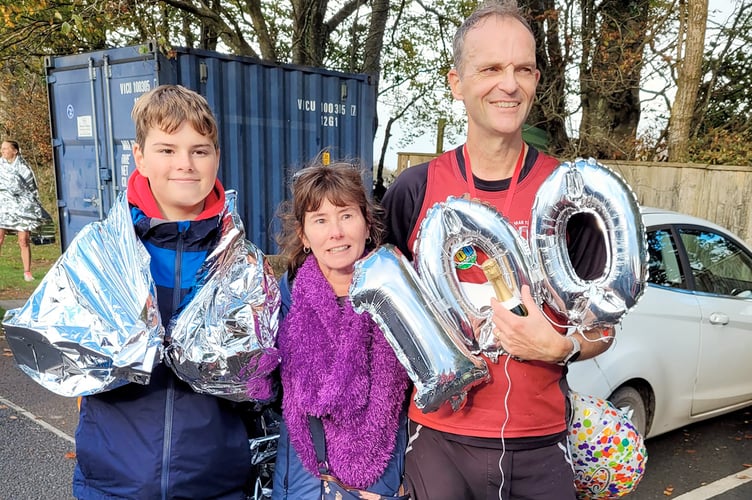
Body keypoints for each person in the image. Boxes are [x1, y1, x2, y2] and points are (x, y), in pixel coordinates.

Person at [380, 1, 614, 499]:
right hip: (438, 440)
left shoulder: (571, 195)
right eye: (490, 68)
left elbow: (605, 328)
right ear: (456, 83)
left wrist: (562, 347)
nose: (509, 84)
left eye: (523, 69)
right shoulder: (413, 190)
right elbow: (381, 321)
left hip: (541, 443)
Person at [73, 85, 254, 499]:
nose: (185, 165)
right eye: (167, 150)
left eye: (199, 150)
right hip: (113, 484)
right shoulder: (100, 252)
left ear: (216, 158)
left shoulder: (241, 263)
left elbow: (260, 383)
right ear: (139, 157)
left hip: (216, 485)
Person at [271, 161, 410, 499]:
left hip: (383, 481)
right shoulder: (281, 299)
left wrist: (410, 486)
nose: (336, 232)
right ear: (304, 235)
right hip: (303, 479)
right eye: (320, 220)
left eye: (346, 215)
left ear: (366, 224)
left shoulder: (400, 292)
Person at [0, 139, 45, 281]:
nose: (3, 151)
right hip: (3, 207)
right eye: (2, 148)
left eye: (6, 148)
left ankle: (27, 272)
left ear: (15, 151)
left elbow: (32, 190)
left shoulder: (24, 169)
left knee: (23, 240)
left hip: (23, 208)